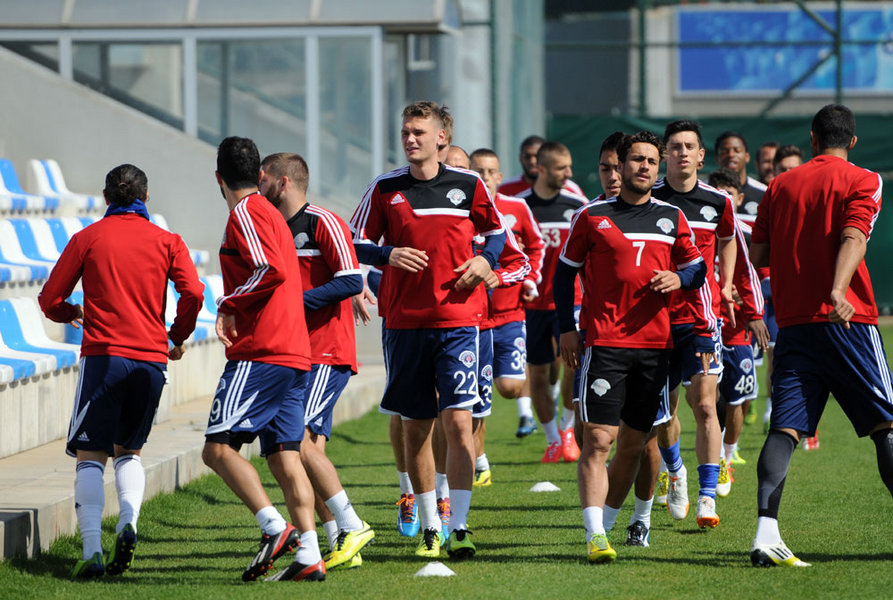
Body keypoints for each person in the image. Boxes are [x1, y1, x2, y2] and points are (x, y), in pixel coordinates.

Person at [351, 101, 522, 560]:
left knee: (460, 423)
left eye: (419, 132)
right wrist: (387, 255)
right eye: (405, 131)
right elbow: (354, 240)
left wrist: (486, 260)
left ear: (441, 137)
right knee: (416, 429)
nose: (410, 139)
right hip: (405, 324)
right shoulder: (385, 188)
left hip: (460, 322)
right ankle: (430, 526)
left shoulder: (468, 185)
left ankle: (459, 525)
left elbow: (497, 234)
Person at [39, 164, 203, 578]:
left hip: (104, 358)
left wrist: (70, 312)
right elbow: (194, 292)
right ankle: (128, 521)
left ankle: (92, 549)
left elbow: (49, 298)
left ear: (105, 197)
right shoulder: (169, 241)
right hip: (151, 360)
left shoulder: (88, 238)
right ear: (146, 198)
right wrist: (175, 336)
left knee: (90, 455)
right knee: (129, 451)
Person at [554, 131, 709, 563]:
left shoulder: (672, 217)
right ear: (620, 166)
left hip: (656, 347)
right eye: (637, 160)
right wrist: (566, 328)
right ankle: (595, 535)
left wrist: (679, 277)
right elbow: (564, 274)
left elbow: (697, 268)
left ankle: (616, 521)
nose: (645, 167)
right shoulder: (592, 216)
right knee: (598, 439)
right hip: (605, 343)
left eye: (652, 161)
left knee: (637, 445)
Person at [749, 104, 893, 568]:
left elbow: (758, 253)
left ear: (812, 139)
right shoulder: (864, 179)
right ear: (852, 141)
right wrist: (837, 288)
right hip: (847, 321)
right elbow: (855, 236)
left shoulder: (779, 185)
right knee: (887, 425)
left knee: (785, 428)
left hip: (794, 324)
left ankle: (765, 534)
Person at [201, 137, 324, 583]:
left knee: (217, 449)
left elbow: (269, 268)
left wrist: (229, 302)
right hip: (293, 351)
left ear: (218, 178)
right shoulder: (272, 212)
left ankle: (275, 527)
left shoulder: (246, 212)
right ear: (258, 174)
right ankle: (309, 553)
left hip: (263, 351)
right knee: (285, 456)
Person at [258, 152, 374, 571]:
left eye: (263, 180)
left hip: (326, 351)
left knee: (298, 441)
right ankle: (337, 537)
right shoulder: (270, 227)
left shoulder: (323, 221)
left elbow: (350, 279)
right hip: (289, 353)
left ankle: (351, 524)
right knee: (296, 451)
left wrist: (293, 304)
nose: (258, 188)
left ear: (283, 182)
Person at [652, 120, 738, 529]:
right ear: (664, 154)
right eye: (675, 146)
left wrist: (726, 282)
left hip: (701, 318)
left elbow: (729, 239)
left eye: (689, 146)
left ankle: (707, 497)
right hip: (654, 321)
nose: (682, 152)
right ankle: (675, 471)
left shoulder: (718, 202)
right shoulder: (647, 198)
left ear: (701, 156)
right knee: (663, 413)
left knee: (705, 404)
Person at [469, 147, 545, 486]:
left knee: (510, 387)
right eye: (478, 171)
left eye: (490, 172)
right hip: (473, 321)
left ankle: (525, 413)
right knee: (475, 399)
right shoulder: (463, 211)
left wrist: (529, 280)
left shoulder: (516, 208)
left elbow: (536, 246)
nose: (485, 177)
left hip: (511, 314)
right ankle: (479, 462)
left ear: (500, 177)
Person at [706, 167, 769, 494]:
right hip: (705, 325)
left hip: (737, 329)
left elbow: (758, 277)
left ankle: (728, 456)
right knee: (706, 396)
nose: (723, 200)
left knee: (738, 399)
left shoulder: (746, 233)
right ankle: (714, 458)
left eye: (728, 195)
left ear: (739, 198)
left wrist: (749, 305)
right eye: (717, 194)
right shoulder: (697, 228)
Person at [498, 135, 585, 197]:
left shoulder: (572, 190)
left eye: (537, 156)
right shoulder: (504, 189)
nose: (532, 161)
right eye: (527, 156)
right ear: (520, 158)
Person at [715, 131, 767, 225]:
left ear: (747, 156)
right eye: (724, 151)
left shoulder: (764, 193)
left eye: (737, 150)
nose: (731, 155)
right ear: (717, 158)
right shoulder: (706, 190)